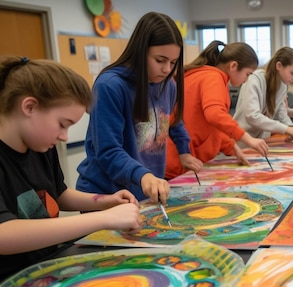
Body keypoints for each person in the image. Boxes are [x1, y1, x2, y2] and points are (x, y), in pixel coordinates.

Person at [0, 56, 141, 280]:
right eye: (62, 124)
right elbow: (4, 235)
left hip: (48, 263)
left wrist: (106, 201)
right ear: (29, 107)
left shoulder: (42, 147)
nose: (64, 137)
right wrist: (103, 219)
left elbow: (59, 194)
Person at [76, 12, 202, 203]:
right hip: (108, 194)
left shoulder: (169, 86)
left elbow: (174, 122)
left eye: (173, 63)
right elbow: (108, 151)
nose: (167, 69)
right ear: (140, 51)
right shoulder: (110, 85)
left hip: (143, 190)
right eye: (160, 60)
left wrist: (183, 151)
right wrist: (143, 175)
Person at [165, 41, 269, 179]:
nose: (246, 80)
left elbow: (212, 127)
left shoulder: (207, 75)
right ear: (233, 66)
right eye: (247, 74)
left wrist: (232, 147)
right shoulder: (213, 78)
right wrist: (247, 138)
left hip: (180, 159)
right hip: (180, 162)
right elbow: (215, 115)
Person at [233, 47, 293, 141]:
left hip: (262, 141)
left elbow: (281, 112)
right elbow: (252, 116)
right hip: (243, 140)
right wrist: (286, 129)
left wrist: (291, 127)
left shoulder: (282, 85)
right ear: (279, 65)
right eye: (292, 73)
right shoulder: (255, 80)